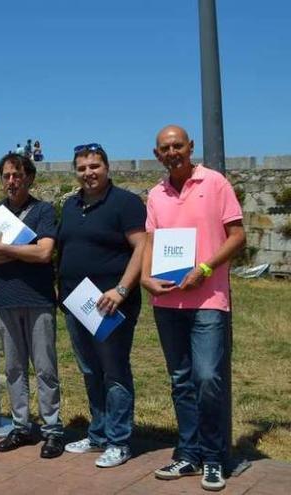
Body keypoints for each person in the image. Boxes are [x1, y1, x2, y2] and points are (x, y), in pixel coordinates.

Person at [141, 125, 245, 492]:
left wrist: (205, 269)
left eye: (178, 146)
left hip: (208, 301)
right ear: (157, 155)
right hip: (167, 300)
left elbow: (238, 235)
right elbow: (150, 242)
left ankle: (214, 458)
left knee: (207, 378)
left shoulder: (215, 183)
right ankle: (189, 452)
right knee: (181, 381)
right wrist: (145, 278)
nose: (173, 152)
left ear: (190, 147)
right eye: (165, 148)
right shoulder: (155, 194)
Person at [57, 143, 146, 468]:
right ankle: (98, 434)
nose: (88, 173)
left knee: (115, 371)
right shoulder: (70, 205)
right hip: (76, 304)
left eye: (94, 166)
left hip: (111, 304)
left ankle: (119, 441)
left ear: (107, 168)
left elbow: (141, 247)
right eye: (82, 168)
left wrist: (121, 290)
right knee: (90, 370)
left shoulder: (126, 202)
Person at [0, 153, 64, 458]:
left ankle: (52, 429)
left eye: (17, 175)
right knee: (14, 368)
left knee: (45, 368)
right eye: (6, 176)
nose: (11, 181)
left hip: (38, 299)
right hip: (5, 299)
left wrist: (2, 248)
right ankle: (22, 426)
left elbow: (44, 254)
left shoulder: (43, 211)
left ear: (29, 178)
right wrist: (19, 250)